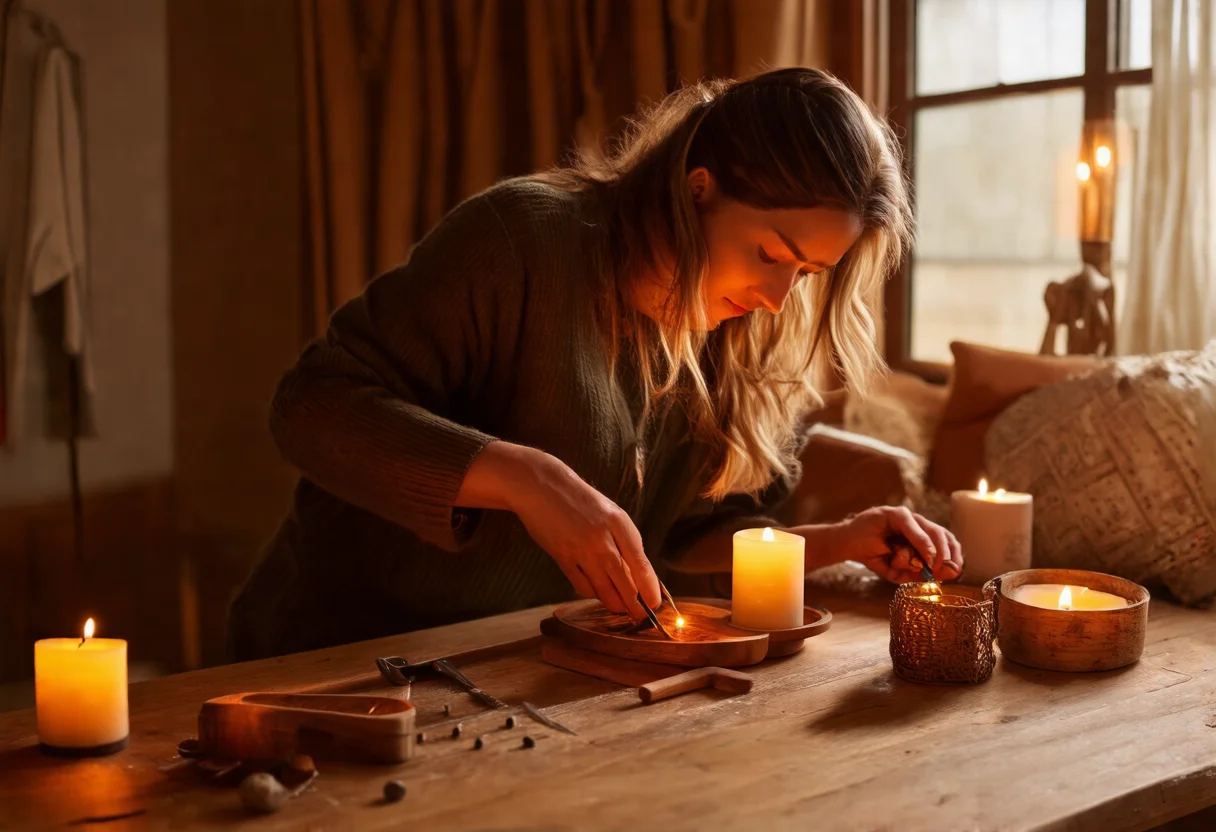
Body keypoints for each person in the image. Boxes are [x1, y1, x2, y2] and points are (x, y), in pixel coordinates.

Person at [228, 67, 963, 660]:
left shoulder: (732, 332)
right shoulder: (523, 241)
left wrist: (843, 540)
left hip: (515, 669)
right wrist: (524, 477)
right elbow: (310, 405)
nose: (776, 297)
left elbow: (681, 538)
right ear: (697, 187)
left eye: (804, 273)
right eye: (771, 253)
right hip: (340, 655)